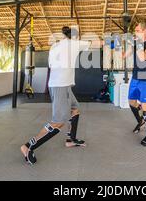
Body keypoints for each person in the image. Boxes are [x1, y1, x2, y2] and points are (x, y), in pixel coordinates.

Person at [21, 26, 101, 165]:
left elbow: (52, 65)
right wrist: (110, 40)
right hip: (60, 87)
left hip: (60, 85)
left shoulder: (55, 46)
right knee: (58, 121)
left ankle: (71, 139)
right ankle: (29, 146)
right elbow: (98, 44)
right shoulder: (74, 43)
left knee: (75, 109)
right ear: (74, 36)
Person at [123, 20, 146, 146]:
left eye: (137, 31)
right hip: (136, 77)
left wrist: (136, 44)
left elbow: (143, 58)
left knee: (145, 107)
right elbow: (124, 56)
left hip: (145, 78)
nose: (135, 33)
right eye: (135, 31)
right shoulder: (136, 43)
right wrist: (125, 45)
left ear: (144, 31)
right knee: (131, 102)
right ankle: (141, 121)